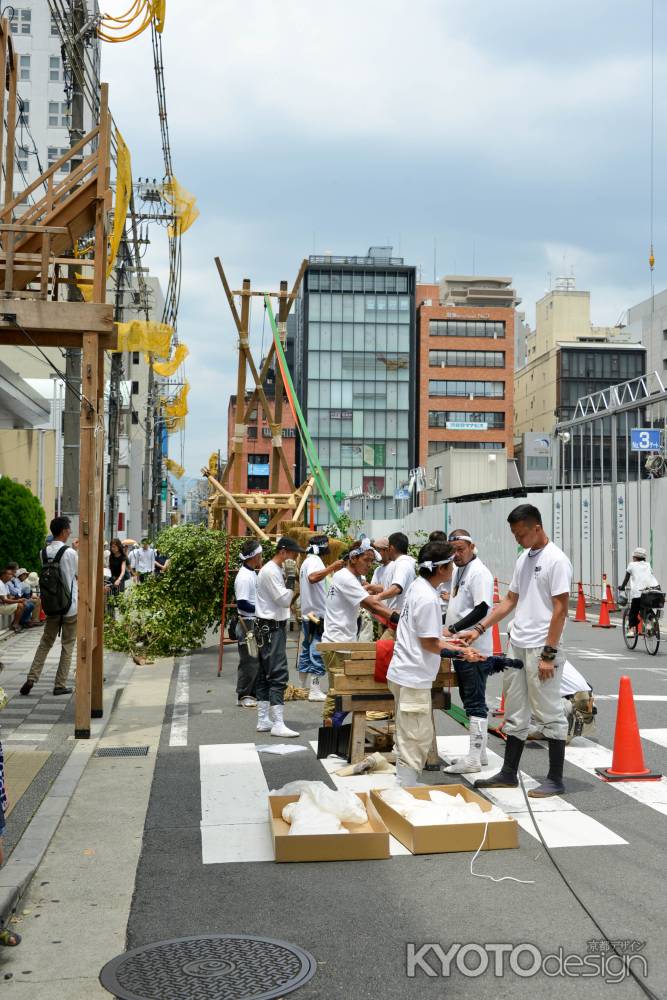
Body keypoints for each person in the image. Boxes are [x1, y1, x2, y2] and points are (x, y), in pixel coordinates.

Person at [457, 504, 572, 798]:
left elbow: (560, 610)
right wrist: (479, 629)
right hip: (517, 643)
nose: (518, 539)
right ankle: (509, 774)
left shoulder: (557, 560)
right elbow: (509, 600)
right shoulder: (524, 558)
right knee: (515, 712)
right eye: (514, 535)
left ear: (536, 528)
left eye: (521, 534)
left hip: (541, 647)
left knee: (549, 713)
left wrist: (549, 654)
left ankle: (555, 779)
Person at [387, 540, 485, 786]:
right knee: (416, 735)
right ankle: (406, 785)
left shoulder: (417, 587)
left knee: (408, 732)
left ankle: (405, 780)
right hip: (413, 676)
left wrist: (451, 643)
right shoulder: (428, 598)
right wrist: (459, 652)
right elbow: (429, 643)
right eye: (451, 562)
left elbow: (428, 635)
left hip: (404, 672)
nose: (454, 567)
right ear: (441, 568)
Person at [320, 538, 397, 721]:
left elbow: (370, 598)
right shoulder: (345, 577)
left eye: (372, 561)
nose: (370, 564)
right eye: (367, 560)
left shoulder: (353, 577)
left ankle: (334, 732)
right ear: (354, 558)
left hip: (343, 641)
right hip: (337, 644)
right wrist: (398, 618)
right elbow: (372, 605)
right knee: (340, 692)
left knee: (346, 691)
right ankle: (330, 734)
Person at [441, 529, 495, 773]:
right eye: (453, 550)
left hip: (473, 647)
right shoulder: (459, 570)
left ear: (472, 546)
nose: (457, 554)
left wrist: (452, 628)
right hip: (460, 645)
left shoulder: (479, 572)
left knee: (474, 702)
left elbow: (482, 609)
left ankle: (473, 759)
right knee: (470, 697)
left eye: (461, 549)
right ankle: (480, 753)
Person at [20, 515, 79, 697]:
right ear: (63, 531)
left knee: (45, 643)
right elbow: (77, 574)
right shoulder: (70, 553)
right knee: (67, 645)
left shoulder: (43, 553)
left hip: (52, 605)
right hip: (70, 607)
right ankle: (59, 685)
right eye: (69, 528)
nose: (70, 531)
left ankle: (31, 678)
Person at [254, 536, 306, 737]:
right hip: (271, 627)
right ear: (283, 551)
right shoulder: (270, 571)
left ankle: (263, 719)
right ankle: (277, 723)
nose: (293, 559)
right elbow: (284, 601)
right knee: (277, 672)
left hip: (268, 626)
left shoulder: (273, 570)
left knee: (265, 673)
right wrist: (291, 580)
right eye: (292, 554)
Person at [297, 535, 345, 702]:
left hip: (308, 613)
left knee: (307, 648)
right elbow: (312, 578)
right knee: (317, 649)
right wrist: (331, 567)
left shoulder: (306, 561)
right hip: (316, 614)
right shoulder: (315, 562)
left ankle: (302, 686)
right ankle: (315, 689)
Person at [234, 539, 262, 708]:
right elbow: (242, 604)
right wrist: (261, 609)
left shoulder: (252, 572)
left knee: (255, 660)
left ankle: (252, 692)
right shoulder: (244, 577)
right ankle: (244, 694)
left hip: (253, 622)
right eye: (260, 554)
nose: (262, 557)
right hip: (247, 624)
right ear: (255, 556)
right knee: (249, 660)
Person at [374, 531, 417, 639]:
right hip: (393, 618)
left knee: (384, 650)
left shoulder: (403, 564)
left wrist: (377, 597)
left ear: (391, 548)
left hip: (398, 619)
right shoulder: (399, 563)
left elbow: (396, 588)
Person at [620, 547, 659, 638]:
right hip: (652, 591)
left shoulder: (631, 565)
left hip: (638, 593)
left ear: (635, 557)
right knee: (647, 609)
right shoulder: (648, 565)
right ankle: (650, 625)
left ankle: (631, 630)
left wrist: (622, 587)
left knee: (633, 611)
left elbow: (626, 579)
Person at [0, 567, 29, 633]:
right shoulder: (0, 584)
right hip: (1, 606)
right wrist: (18, 600)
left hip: (4, 604)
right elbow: (5, 600)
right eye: (9, 574)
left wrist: (19, 599)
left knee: (23, 604)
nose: (12, 576)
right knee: (20, 605)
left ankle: (15, 623)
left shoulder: (5, 584)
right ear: (3, 575)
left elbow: (8, 597)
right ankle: (15, 624)